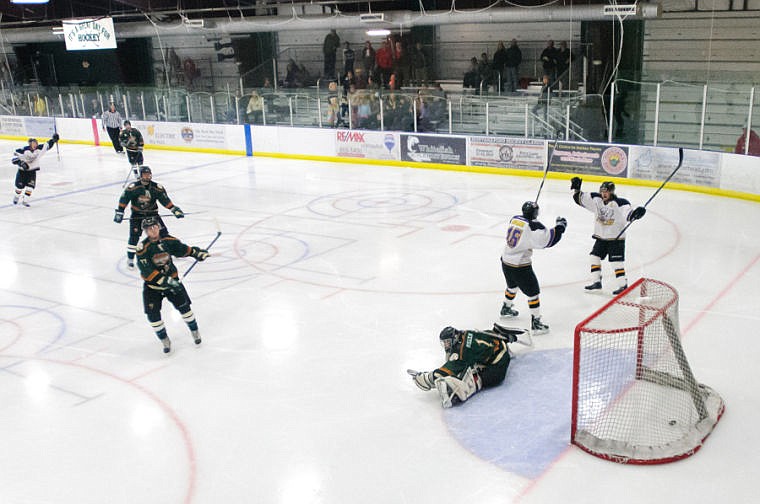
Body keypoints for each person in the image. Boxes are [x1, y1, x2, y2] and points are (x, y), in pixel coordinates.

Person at [135, 217, 208, 354]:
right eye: (149, 228)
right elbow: (147, 270)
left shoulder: (168, 241)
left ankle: (195, 331)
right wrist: (166, 281)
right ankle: (164, 340)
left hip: (173, 283)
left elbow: (182, 249)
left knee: (185, 308)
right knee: (152, 315)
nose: (153, 230)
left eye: (155, 226)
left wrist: (196, 252)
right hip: (153, 288)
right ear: (145, 231)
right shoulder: (142, 249)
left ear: (158, 226)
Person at [410, 324, 523, 408]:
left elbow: (448, 369)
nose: (446, 345)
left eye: (448, 342)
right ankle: (503, 337)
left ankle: (455, 390)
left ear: (454, 338)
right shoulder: (465, 333)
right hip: (499, 344)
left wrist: (425, 378)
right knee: (470, 363)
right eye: (444, 343)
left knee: (480, 379)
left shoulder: (462, 351)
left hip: (498, 364)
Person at [499, 201, 566, 334]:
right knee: (533, 293)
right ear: (535, 213)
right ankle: (536, 323)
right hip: (520, 265)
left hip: (506, 261)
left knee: (512, 286)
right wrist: (560, 227)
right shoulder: (534, 226)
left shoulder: (515, 219)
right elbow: (549, 240)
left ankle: (506, 307)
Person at [570, 178, 646, 295]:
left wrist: (637, 213)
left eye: (606, 191)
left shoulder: (621, 203)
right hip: (601, 237)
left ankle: (622, 285)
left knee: (616, 263)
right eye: (602, 191)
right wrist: (576, 189)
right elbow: (580, 199)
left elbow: (629, 215)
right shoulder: (596, 199)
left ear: (612, 192)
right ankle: (596, 282)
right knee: (594, 257)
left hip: (616, 239)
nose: (603, 194)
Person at [114, 166, 185, 269]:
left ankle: (171, 252)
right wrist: (120, 211)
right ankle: (130, 259)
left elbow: (164, 200)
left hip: (152, 214)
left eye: (149, 174)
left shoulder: (157, 187)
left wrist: (174, 209)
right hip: (137, 215)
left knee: (163, 234)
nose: (147, 176)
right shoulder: (133, 187)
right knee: (134, 237)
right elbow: (124, 199)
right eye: (145, 174)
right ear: (141, 175)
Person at [11, 134, 59, 206]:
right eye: (33, 143)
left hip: (32, 172)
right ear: (30, 144)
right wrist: (21, 163)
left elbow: (47, 145)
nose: (35, 145)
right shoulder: (23, 150)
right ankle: (17, 196)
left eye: (36, 143)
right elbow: (13, 160)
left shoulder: (39, 149)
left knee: (30, 188)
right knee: (19, 188)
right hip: (22, 172)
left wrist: (53, 140)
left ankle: (25, 200)